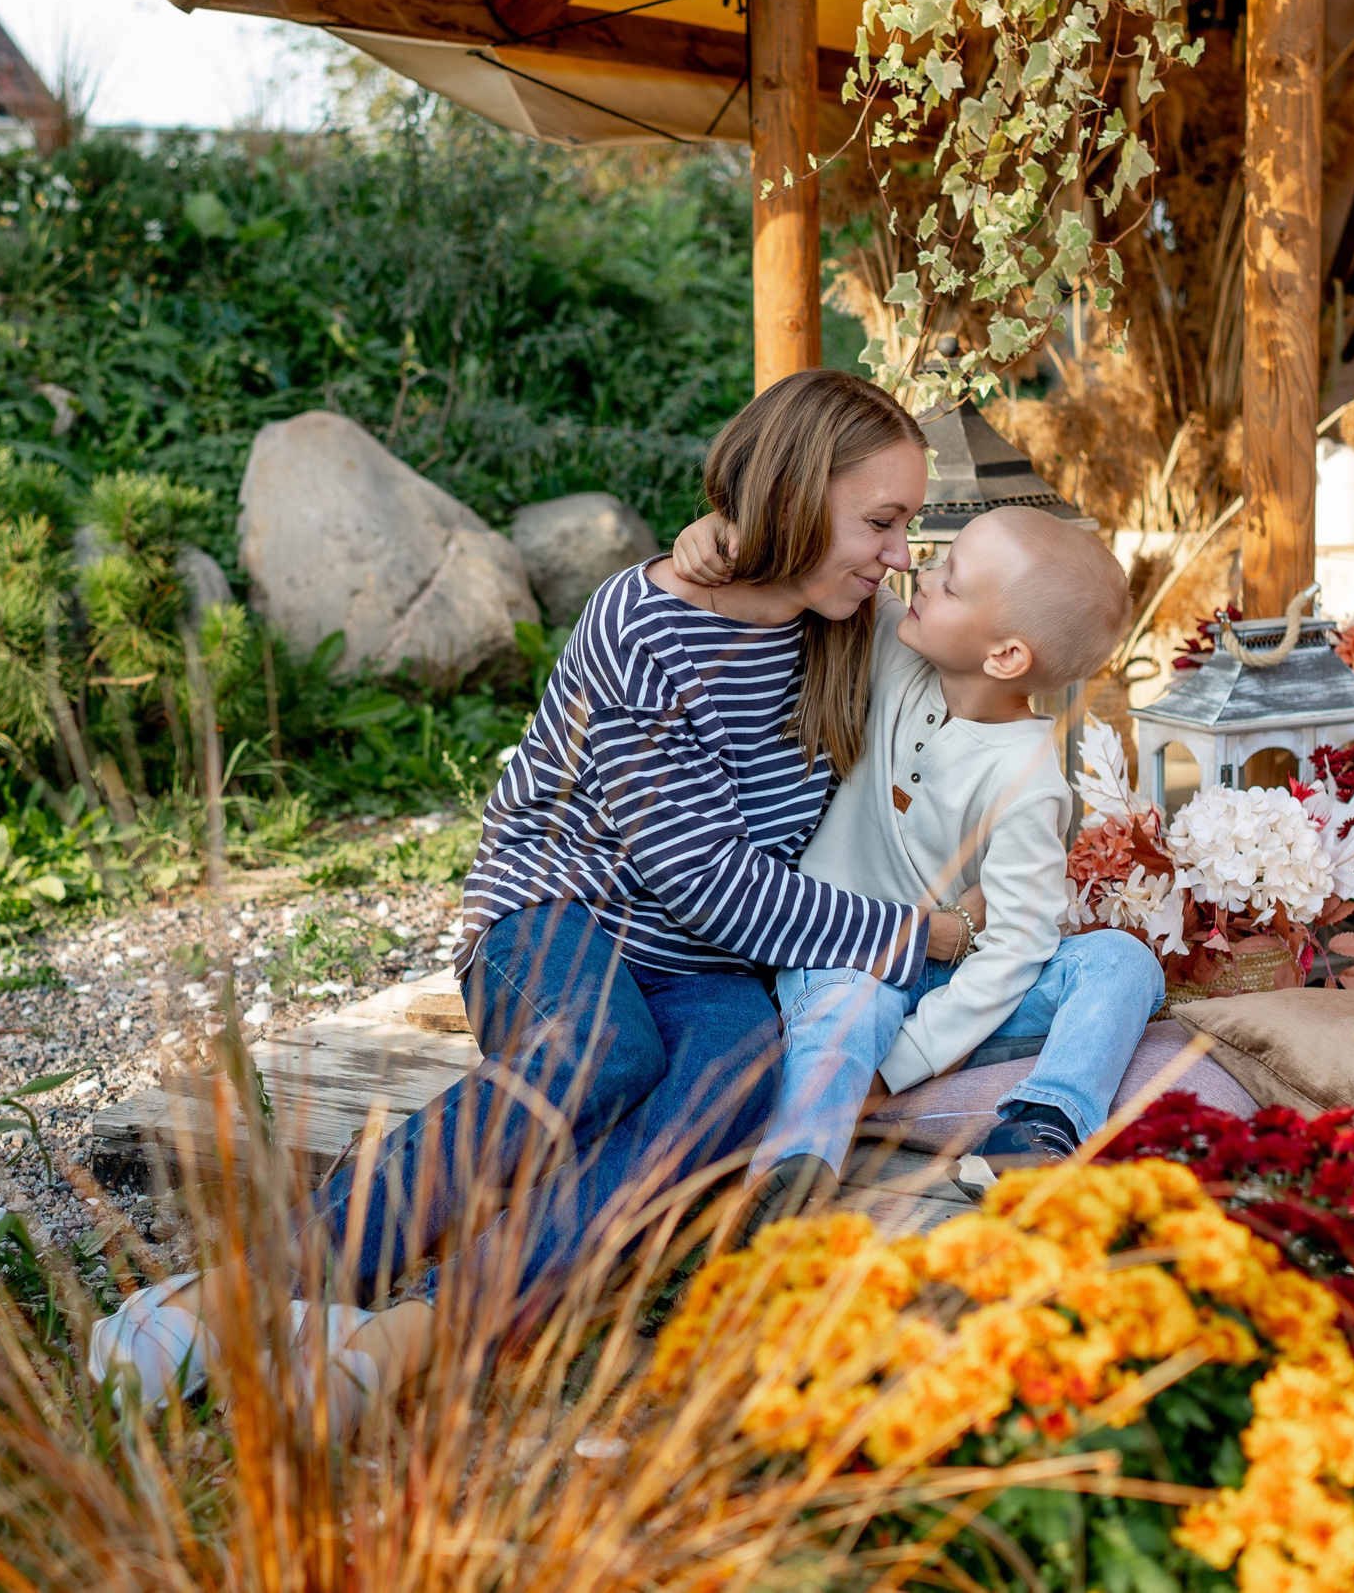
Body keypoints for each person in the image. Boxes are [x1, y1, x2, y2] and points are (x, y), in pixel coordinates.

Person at [90, 369, 980, 1436]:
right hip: (561, 915)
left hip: (706, 965)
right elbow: (705, 881)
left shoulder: (845, 625)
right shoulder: (641, 625)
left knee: (736, 1080)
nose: (896, 552)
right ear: (793, 491)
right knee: (600, 1051)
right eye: (880, 521)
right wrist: (909, 931)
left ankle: (407, 1337)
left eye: (906, 526)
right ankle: (241, 1294)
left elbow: (994, 663)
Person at [670, 502, 1165, 1239]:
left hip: (952, 983)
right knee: (850, 1009)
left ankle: (1042, 1126)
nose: (919, 575)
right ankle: (791, 1177)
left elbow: (1020, 948)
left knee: (1122, 961)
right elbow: (831, 563)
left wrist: (908, 1057)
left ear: (1004, 656)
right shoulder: (899, 653)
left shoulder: (1029, 780)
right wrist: (719, 529)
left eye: (951, 581)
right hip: (843, 955)